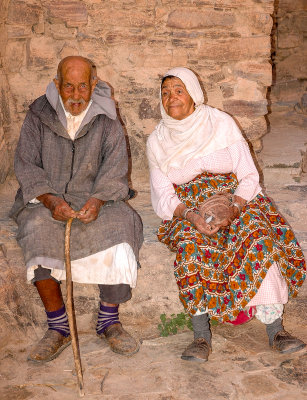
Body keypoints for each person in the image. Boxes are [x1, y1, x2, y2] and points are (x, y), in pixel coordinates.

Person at [147, 67, 306, 362]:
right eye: (165, 93)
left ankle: (275, 329)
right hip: (189, 208)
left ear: (193, 93)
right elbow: (163, 193)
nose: (171, 98)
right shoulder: (157, 141)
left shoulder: (221, 123)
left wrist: (234, 208)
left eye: (178, 90)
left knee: (257, 235)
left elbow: (248, 174)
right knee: (190, 246)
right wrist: (191, 215)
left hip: (234, 198)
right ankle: (200, 335)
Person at [10, 56, 143, 363]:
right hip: (47, 199)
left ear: (92, 85)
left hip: (96, 199)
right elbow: (26, 163)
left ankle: (109, 321)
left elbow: (115, 167)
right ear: (57, 85)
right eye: (68, 85)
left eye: (83, 85)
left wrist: (97, 200)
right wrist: (49, 199)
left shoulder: (106, 116)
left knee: (124, 225)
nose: (76, 94)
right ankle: (58, 327)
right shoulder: (38, 114)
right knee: (34, 230)